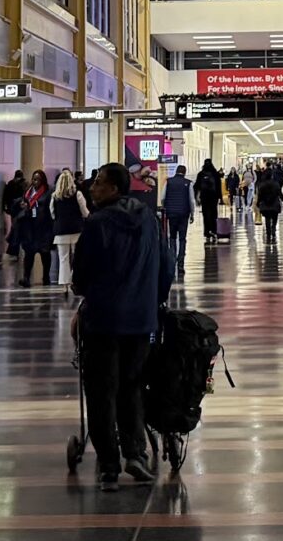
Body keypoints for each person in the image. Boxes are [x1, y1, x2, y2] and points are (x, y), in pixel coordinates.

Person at [71, 164, 169, 492]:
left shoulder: (97, 224)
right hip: (141, 320)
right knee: (132, 386)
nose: (92, 189)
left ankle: (109, 467)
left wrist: (83, 293)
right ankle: (135, 454)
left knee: (101, 392)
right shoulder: (149, 220)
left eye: (98, 184)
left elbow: (81, 276)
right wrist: (153, 301)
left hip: (102, 320)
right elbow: (167, 265)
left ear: (114, 188)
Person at [15, 170, 56, 285]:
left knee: (45, 253)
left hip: (44, 228)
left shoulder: (48, 192)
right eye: (34, 179)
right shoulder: (28, 192)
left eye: (38, 179)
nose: (35, 181)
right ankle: (26, 277)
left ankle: (46, 277)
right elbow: (24, 203)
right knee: (29, 253)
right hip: (30, 227)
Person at [52, 170, 85, 285]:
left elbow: (52, 214)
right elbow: (84, 212)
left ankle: (64, 283)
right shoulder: (78, 194)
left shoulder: (55, 196)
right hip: (76, 230)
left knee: (63, 259)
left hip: (61, 231)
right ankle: (75, 280)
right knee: (77, 257)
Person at [161, 164, 196, 266]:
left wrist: (165, 207)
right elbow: (191, 201)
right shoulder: (188, 183)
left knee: (172, 237)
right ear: (184, 172)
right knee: (182, 238)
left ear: (176, 171)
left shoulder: (168, 182)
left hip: (171, 214)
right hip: (184, 214)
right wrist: (192, 214)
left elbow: (162, 197)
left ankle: (172, 258)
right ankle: (181, 261)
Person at [254, 163, 283, 246]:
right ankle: (273, 230)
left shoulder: (262, 185)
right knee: (274, 218)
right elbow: (280, 193)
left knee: (267, 219)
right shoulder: (275, 184)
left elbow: (260, 195)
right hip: (274, 204)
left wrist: (257, 203)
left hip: (265, 205)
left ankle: (268, 234)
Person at [1, 169, 28, 264]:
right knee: (18, 231)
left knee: (16, 230)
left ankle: (14, 250)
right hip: (22, 212)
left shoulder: (10, 184)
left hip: (14, 211)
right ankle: (18, 250)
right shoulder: (25, 185)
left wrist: (5, 208)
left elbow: (5, 198)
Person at [195, 160, 224, 244]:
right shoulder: (215, 174)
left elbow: (197, 186)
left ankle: (207, 232)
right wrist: (220, 197)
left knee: (205, 214)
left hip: (204, 197)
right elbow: (218, 186)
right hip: (213, 198)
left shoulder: (201, 174)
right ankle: (214, 231)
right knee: (213, 214)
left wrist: (197, 197)